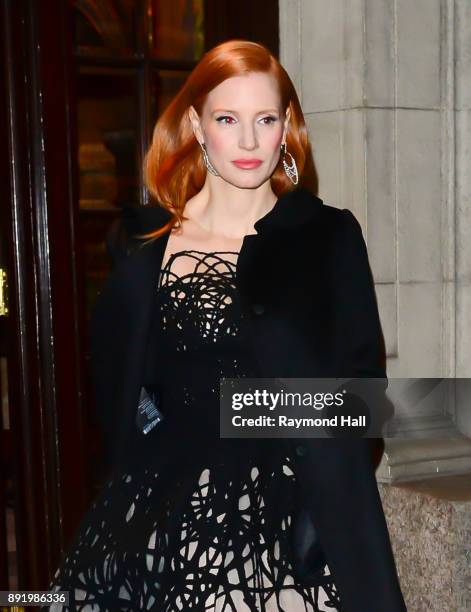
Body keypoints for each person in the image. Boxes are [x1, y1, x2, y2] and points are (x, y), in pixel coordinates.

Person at [43, 39, 406, 611]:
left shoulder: (328, 237)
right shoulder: (142, 255)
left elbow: (363, 397)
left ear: (287, 125)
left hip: (297, 529)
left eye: (265, 119)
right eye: (227, 119)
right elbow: (122, 405)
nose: (247, 141)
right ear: (196, 124)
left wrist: (311, 503)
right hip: (169, 523)